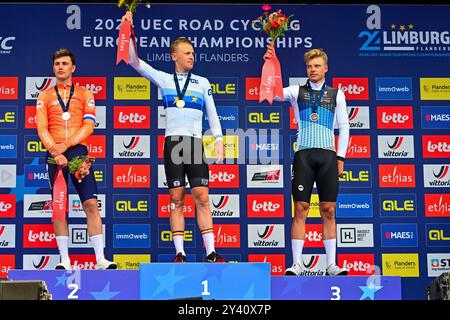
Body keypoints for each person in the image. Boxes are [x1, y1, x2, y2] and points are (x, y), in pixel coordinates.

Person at [121, 11, 227, 263]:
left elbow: (212, 114)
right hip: (173, 143)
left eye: (193, 52)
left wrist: (220, 140)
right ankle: (180, 252)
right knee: (176, 199)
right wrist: (129, 30)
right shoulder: (164, 79)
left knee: (202, 196)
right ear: (174, 56)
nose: (192, 56)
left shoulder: (202, 82)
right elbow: (134, 61)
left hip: (194, 143)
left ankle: (211, 252)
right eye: (187, 53)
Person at [263, 45, 350, 276]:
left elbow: (344, 126)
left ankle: (331, 264)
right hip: (303, 155)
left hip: (328, 157)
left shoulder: (336, 94)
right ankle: (297, 264)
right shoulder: (296, 92)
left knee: (328, 210)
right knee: (300, 208)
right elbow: (273, 93)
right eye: (309, 66)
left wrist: (340, 157)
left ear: (325, 68)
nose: (313, 69)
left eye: (317, 66)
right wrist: (270, 65)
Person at [36, 48, 117, 270]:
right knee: (59, 207)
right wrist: (55, 150)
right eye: (57, 64)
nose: (60, 67)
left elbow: (89, 126)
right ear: (53, 68)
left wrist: (66, 146)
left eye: (64, 63)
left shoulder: (85, 94)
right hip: (54, 156)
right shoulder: (44, 96)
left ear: (73, 68)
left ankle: (100, 259)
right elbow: (41, 128)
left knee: (90, 203)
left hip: (78, 154)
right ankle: (65, 260)